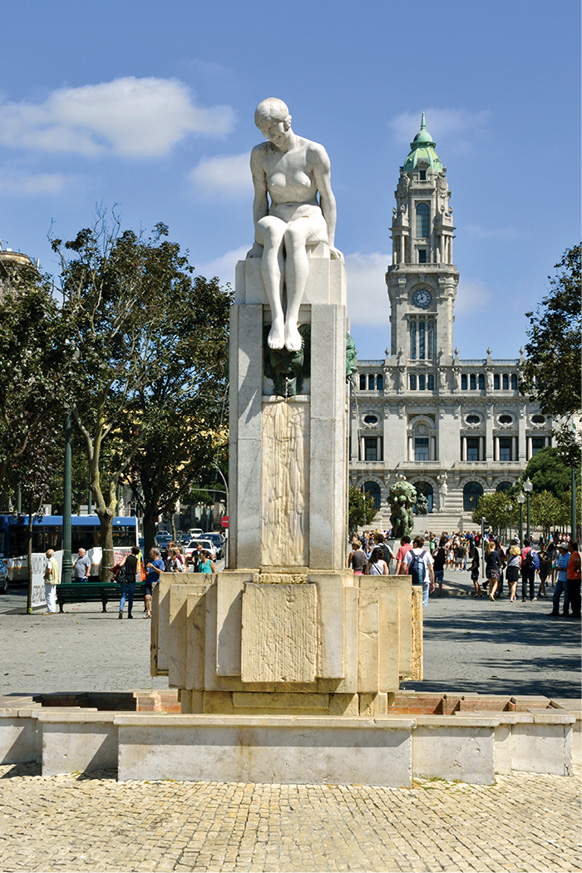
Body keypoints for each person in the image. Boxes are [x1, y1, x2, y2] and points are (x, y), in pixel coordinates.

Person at [249, 97, 342, 352]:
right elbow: (259, 199)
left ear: (287, 121)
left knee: (294, 233)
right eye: (264, 131)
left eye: (273, 128)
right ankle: (277, 318)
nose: (270, 135)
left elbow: (328, 197)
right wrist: (256, 236)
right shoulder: (260, 154)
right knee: (274, 230)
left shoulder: (313, 152)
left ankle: (293, 319)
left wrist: (331, 242)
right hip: (276, 216)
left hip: (309, 217)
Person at [403, 535, 435, 606]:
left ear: (416, 543)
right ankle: (420, 616)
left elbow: (404, 568)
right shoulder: (426, 553)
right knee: (423, 603)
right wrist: (432, 583)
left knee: (412, 601)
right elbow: (431, 569)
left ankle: (414, 616)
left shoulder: (409, 553)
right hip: (425, 580)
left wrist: (403, 578)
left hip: (412, 580)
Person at [549, 543, 570, 617]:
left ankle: (565, 611)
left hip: (566, 579)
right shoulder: (560, 556)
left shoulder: (569, 557)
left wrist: (561, 569)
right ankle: (555, 611)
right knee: (556, 595)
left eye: (560, 548)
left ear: (564, 549)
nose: (558, 549)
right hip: (560, 579)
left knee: (566, 597)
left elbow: (570, 569)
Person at [118, 546, 140, 619]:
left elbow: (120, 564)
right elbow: (137, 572)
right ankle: (129, 613)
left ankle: (121, 610)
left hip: (124, 578)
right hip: (132, 579)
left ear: (131, 551)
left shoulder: (126, 557)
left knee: (123, 595)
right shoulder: (136, 560)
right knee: (131, 596)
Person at [144, 547, 164, 619]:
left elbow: (161, 572)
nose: (149, 554)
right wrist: (147, 572)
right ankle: (148, 612)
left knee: (156, 599)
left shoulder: (160, 562)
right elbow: (147, 570)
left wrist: (153, 567)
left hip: (156, 583)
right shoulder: (149, 561)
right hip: (148, 582)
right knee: (147, 597)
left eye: (151, 552)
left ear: (155, 553)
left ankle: (155, 612)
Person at [566, 541, 581, 619]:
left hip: (574, 578)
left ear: (572, 547)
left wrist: (575, 568)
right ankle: (574, 611)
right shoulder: (573, 554)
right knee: (572, 595)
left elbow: (577, 561)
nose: (568, 548)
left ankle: (576, 611)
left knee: (575, 595)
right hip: (571, 578)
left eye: (569, 546)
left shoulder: (575, 554)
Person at [43, 548, 60, 615]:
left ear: (49, 555)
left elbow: (49, 570)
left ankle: (50, 610)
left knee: (49, 594)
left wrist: (45, 576)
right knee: (53, 595)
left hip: (50, 580)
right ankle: (53, 609)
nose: (46, 555)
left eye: (46, 554)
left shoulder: (50, 561)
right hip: (55, 580)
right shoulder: (55, 560)